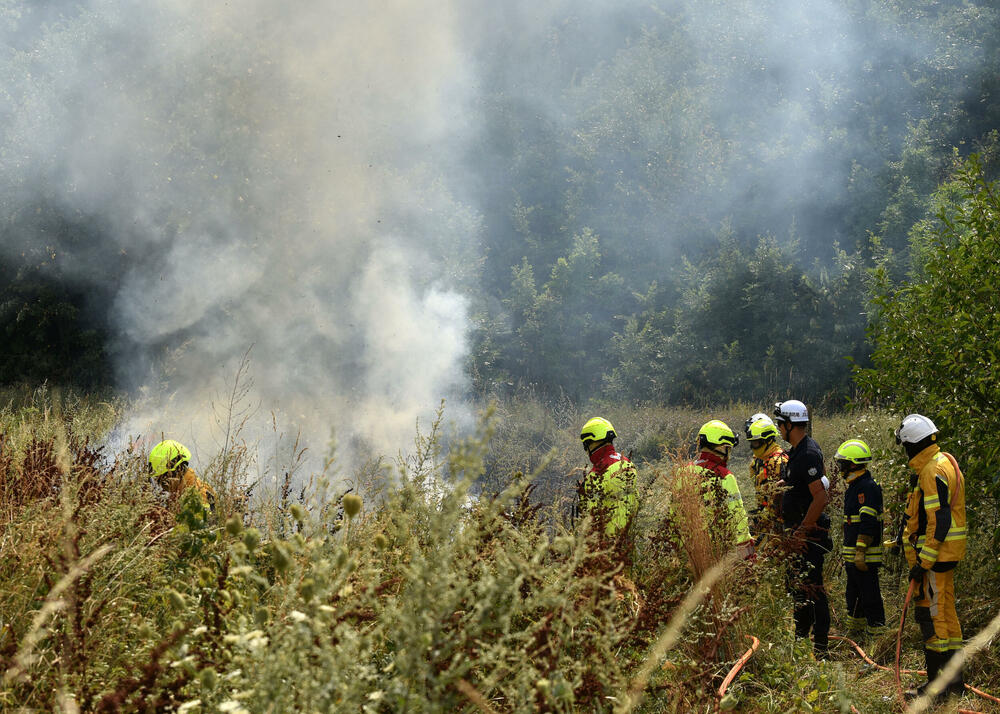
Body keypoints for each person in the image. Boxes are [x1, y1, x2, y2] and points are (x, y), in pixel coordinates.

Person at [896, 414, 967, 700]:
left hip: (936, 558)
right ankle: (955, 683)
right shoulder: (944, 461)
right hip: (946, 554)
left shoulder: (930, 471)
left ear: (912, 445)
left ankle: (938, 688)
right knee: (947, 616)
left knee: (936, 618)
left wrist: (922, 562)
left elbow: (940, 520)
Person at [773, 399, 831, 656]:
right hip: (797, 533)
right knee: (799, 589)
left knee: (813, 590)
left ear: (789, 424)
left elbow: (820, 497)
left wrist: (802, 532)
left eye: (780, 424)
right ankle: (800, 639)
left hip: (807, 536)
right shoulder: (796, 452)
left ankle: (821, 649)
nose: (778, 429)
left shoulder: (808, 453)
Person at [834, 439, 886, 639]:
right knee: (853, 597)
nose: (840, 468)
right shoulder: (856, 486)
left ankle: (878, 637)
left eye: (842, 463)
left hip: (864, 557)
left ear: (853, 464)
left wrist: (860, 552)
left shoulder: (867, 487)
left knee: (870, 597)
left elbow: (868, 523)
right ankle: (856, 634)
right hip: (854, 557)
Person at [685, 420, 754, 558]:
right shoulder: (725, 477)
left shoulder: (683, 472)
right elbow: (737, 517)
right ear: (721, 447)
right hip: (717, 550)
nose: (728, 454)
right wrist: (747, 552)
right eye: (728, 448)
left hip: (687, 549)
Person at [578, 417, 637, 539]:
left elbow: (590, 517)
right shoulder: (627, 463)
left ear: (593, 442)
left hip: (607, 546)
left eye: (586, 445)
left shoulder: (596, 475)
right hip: (629, 539)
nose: (586, 451)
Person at [149, 439, 216, 514]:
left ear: (175, 472)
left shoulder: (195, 496)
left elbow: (202, 523)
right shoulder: (183, 489)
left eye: (161, 480)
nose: (160, 485)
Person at [745, 414, 787, 536]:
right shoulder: (762, 459)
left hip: (776, 524)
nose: (753, 447)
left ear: (768, 440)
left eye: (756, 443)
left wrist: (760, 520)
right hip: (765, 518)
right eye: (752, 443)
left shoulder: (777, 461)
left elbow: (777, 502)